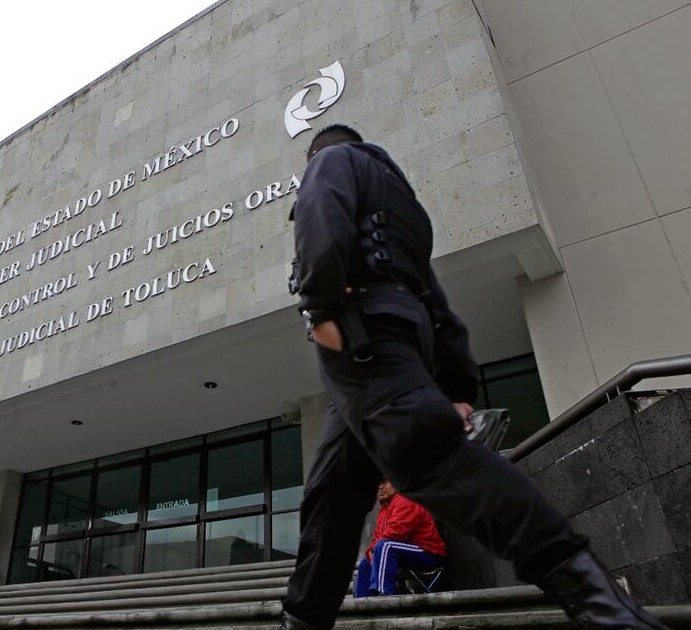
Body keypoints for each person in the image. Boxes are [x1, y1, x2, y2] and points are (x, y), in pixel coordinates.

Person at [281, 124, 667, 629]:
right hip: (387, 343)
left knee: (432, 456)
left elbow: (319, 219)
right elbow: (434, 301)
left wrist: (320, 311)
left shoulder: (332, 162)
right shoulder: (402, 204)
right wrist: (459, 385)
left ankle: (603, 607)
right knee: (332, 497)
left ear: (319, 152)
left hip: (360, 336)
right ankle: (304, 620)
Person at [353, 479, 445, 598]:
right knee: (366, 563)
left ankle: (384, 595)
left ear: (396, 483)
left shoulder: (406, 500)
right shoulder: (383, 512)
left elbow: (397, 531)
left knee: (385, 545)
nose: (380, 487)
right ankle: (363, 604)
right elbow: (376, 538)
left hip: (428, 554)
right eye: (378, 484)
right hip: (405, 553)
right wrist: (371, 552)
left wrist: (376, 550)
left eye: (385, 482)